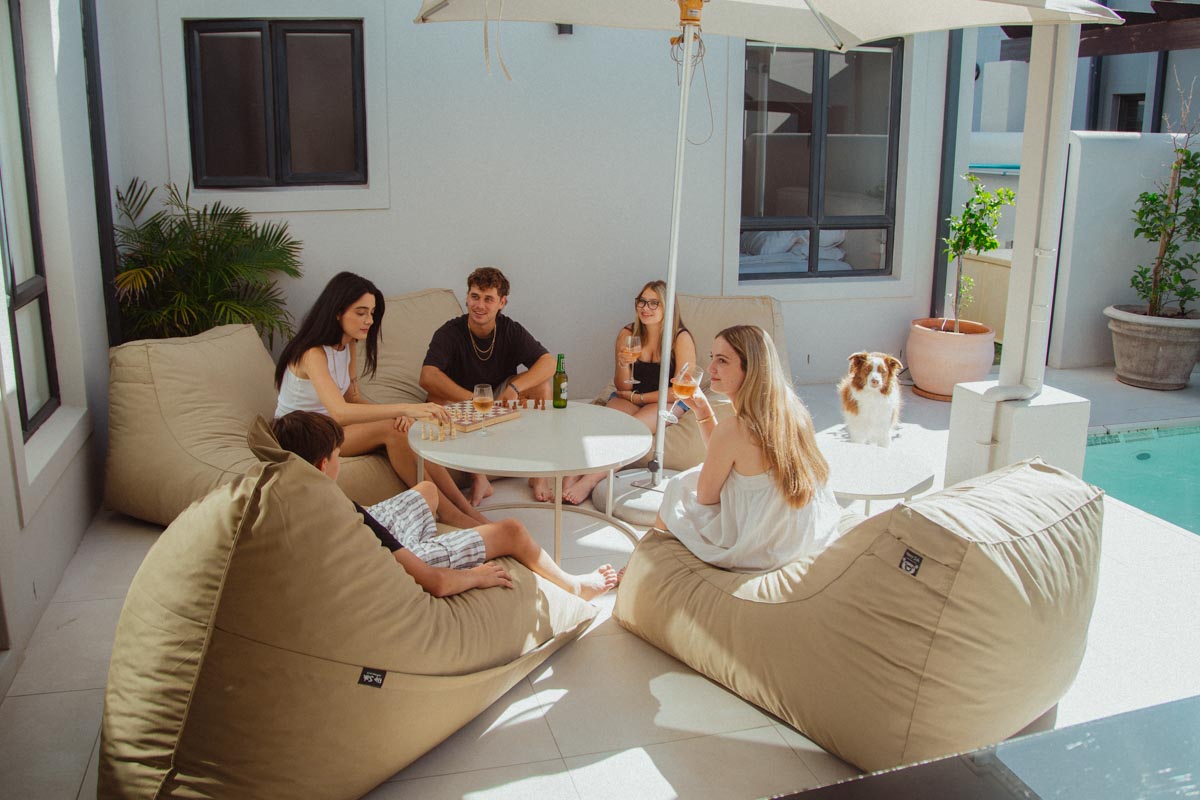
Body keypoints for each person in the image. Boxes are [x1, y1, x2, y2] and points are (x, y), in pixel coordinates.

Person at [273, 411, 619, 600]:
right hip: (383, 562)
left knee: (427, 489)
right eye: (336, 456)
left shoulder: (291, 493)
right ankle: (575, 586)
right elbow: (434, 582)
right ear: (322, 465)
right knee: (512, 529)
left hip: (366, 540)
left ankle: (467, 530)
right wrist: (475, 577)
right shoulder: (347, 515)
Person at [275, 271, 487, 529]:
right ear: (337, 311)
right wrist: (407, 408)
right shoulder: (312, 354)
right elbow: (340, 412)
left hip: (329, 425)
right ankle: (451, 515)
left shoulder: (348, 345)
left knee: (404, 426)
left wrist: (398, 414)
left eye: (372, 313)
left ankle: (466, 511)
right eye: (361, 312)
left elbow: (353, 398)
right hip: (302, 434)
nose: (369, 320)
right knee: (394, 429)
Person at [651, 325, 843, 572]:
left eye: (722, 361)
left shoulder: (734, 429)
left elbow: (706, 497)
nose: (711, 369)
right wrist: (703, 410)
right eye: (712, 358)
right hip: (802, 537)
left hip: (762, 548)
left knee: (678, 487)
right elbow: (728, 455)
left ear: (750, 368)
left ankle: (647, 565)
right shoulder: (792, 410)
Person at [420, 267, 556, 503]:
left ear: (502, 302)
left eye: (488, 299)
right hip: (462, 396)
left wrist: (514, 389)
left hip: (500, 393)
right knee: (436, 399)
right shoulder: (450, 332)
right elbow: (427, 376)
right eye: (474, 297)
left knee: (543, 385)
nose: (479, 306)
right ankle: (478, 478)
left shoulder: (510, 330)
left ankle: (538, 473)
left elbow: (548, 363)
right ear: (467, 297)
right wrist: (473, 400)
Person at [560, 280, 697, 505]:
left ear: (668, 307)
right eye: (642, 302)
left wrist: (639, 398)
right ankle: (574, 473)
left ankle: (590, 480)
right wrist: (624, 364)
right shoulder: (627, 333)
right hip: (631, 395)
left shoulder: (680, 339)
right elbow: (623, 386)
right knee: (607, 424)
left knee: (633, 431)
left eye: (654, 303)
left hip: (667, 399)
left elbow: (680, 391)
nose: (645, 308)